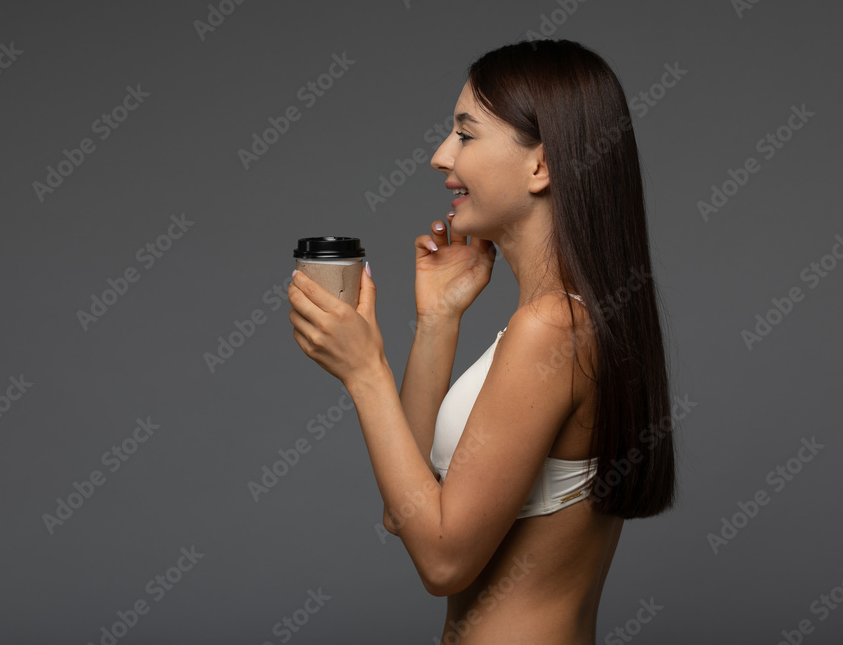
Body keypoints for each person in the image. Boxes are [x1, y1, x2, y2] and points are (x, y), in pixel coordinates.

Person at [287, 39, 676, 644]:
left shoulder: (549, 330)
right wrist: (438, 321)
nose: (442, 157)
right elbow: (405, 515)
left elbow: (443, 563)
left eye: (465, 135)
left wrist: (367, 374)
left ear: (541, 165)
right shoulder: (569, 320)